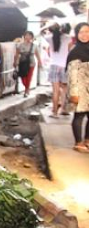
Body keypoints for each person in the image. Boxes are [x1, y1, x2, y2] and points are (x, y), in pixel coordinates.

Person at [66, 22, 89, 153]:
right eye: (81, 32)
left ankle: (87, 140)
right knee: (79, 116)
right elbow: (72, 74)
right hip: (80, 89)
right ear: (77, 34)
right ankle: (78, 142)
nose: (85, 35)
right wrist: (74, 93)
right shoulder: (75, 52)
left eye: (87, 31)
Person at [43, 23, 73, 117]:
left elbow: (39, 33)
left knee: (55, 90)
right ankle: (63, 109)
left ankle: (55, 112)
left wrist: (46, 26)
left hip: (54, 66)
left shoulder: (49, 38)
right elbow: (70, 50)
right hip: (64, 66)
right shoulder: (68, 38)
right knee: (64, 89)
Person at [14, 31, 42, 98]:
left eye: (29, 36)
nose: (28, 37)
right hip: (22, 63)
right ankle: (26, 87)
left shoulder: (34, 46)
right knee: (23, 77)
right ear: (24, 36)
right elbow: (16, 54)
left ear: (32, 37)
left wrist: (40, 62)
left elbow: (37, 55)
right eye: (26, 35)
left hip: (31, 63)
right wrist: (15, 62)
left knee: (29, 77)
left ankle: (27, 90)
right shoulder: (20, 45)